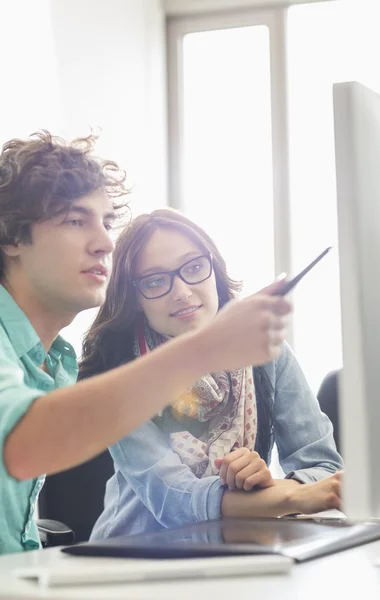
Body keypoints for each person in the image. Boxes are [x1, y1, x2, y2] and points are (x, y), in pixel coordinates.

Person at [0, 132, 292, 555]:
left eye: (105, 222)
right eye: (75, 220)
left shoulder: (54, 361)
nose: (105, 242)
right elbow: (24, 447)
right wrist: (205, 347)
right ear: (10, 236)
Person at [78, 209, 344, 541]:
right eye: (156, 280)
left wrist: (262, 483)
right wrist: (289, 495)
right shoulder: (122, 375)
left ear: (214, 270)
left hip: (242, 548)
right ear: (135, 299)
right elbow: (173, 498)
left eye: (193, 268)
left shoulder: (266, 353)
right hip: (135, 554)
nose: (182, 291)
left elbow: (324, 468)